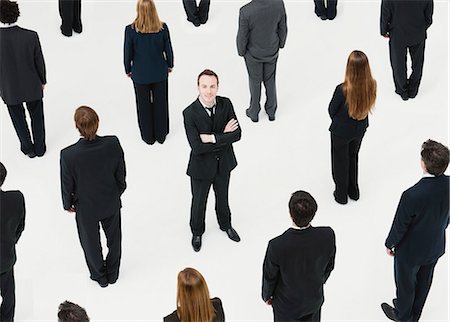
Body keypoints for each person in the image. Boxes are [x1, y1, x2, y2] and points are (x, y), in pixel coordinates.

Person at [381, 140, 449, 321]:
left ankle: (404, 316)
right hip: (435, 245)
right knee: (424, 283)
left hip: (410, 251)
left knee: (405, 285)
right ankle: (415, 314)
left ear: (423, 164)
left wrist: (390, 243)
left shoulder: (412, 195)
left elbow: (400, 225)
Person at [60, 106, 126, 287]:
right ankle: (113, 273)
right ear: (98, 123)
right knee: (114, 239)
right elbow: (121, 174)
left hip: (86, 207)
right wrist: (116, 192)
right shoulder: (113, 143)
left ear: (76, 126)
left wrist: (68, 204)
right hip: (110, 201)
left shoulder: (68, 155)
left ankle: (99, 276)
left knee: (90, 244)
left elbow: (67, 184)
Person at [183, 69, 241, 252]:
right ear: (198, 87)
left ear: (218, 86)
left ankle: (226, 225)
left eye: (212, 86)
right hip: (201, 168)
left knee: (223, 198)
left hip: (224, 164)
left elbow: (238, 134)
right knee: (199, 201)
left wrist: (212, 138)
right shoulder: (189, 113)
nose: (209, 91)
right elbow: (197, 147)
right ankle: (197, 232)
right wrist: (224, 136)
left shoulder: (226, 104)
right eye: (204, 86)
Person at [262, 191, 335, 321]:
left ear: (290, 214)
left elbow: (270, 276)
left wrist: (266, 296)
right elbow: (329, 265)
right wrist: (319, 281)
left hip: (287, 307)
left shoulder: (277, 246)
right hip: (313, 300)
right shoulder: (327, 236)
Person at [328, 50, 376, 204]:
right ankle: (353, 190)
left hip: (341, 132)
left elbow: (331, 110)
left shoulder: (342, 90)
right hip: (360, 129)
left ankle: (341, 195)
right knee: (353, 157)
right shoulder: (372, 85)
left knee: (339, 161)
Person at [0, 0, 47, 158]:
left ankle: (28, 149)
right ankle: (40, 147)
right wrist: (43, 80)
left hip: (9, 88)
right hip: (32, 84)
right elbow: (39, 61)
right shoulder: (31, 35)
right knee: (37, 116)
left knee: (18, 119)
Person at [124, 0, 174, 145]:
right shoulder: (162, 28)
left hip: (140, 74)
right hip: (159, 71)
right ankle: (161, 134)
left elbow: (128, 52)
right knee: (161, 103)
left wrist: (128, 69)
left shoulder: (130, 30)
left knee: (143, 105)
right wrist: (170, 64)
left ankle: (148, 137)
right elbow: (168, 49)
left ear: (138, 10)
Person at [236, 0, 287, 122]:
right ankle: (271, 111)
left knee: (255, 81)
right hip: (271, 50)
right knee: (270, 80)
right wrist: (281, 44)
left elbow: (242, 36)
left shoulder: (246, 11)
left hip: (253, 54)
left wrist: (241, 51)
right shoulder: (279, 4)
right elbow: (283, 28)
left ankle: (254, 112)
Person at [380, 0, 433, 101]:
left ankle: (402, 90)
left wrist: (384, 30)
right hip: (418, 33)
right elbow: (428, 17)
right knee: (418, 63)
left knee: (398, 63)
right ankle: (413, 90)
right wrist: (421, 28)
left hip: (397, 33)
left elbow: (385, 12)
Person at [0, 162, 25, 322]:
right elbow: (19, 227)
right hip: (5, 257)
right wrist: (9, 243)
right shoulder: (15, 199)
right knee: (8, 294)